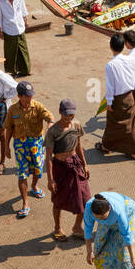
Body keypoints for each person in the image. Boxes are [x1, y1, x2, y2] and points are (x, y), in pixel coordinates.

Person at [4, 82, 52, 218]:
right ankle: (25, 202)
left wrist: (50, 123)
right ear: (19, 96)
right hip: (20, 146)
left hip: (36, 144)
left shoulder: (37, 106)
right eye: (27, 96)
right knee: (22, 174)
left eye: (31, 95)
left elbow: (49, 116)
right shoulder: (12, 110)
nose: (30, 98)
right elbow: (9, 129)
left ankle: (34, 186)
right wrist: (6, 147)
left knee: (38, 170)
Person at [46, 99, 90, 242]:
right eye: (66, 116)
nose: (68, 119)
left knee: (85, 199)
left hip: (75, 165)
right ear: (60, 113)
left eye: (71, 116)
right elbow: (48, 157)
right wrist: (50, 179)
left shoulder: (76, 125)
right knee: (58, 200)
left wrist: (85, 165)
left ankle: (77, 227)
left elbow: (79, 147)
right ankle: (57, 228)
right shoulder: (53, 131)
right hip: (60, 167)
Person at [100, 33, 135, 159]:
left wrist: (109, 102)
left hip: (117, 99)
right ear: (123, 46)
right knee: (131, 125)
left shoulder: (111, 65)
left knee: (113, 124)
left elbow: (110, 87)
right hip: (130, 96)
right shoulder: (131, 60)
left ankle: (107, 146)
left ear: (111, 47)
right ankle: (134, 150)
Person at [84, 191, 135, 269]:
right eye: (96, 218)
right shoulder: (89, 207)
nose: (99, 220)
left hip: (127, 211)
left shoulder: (119, 211)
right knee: (99, 248)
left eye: (102, 217)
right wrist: (89, 252)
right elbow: (88, 230)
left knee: (123, 252)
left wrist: (133, 259)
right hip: (107, 220)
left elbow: (127, 235)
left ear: (109, 208)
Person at [0, 0, 32, 78]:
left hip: (20, 26)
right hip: (8, 28)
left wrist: (25, 20)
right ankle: (12, 72)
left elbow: (23, 7)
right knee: (10, 52)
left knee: (23, 49)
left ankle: (25, 69)